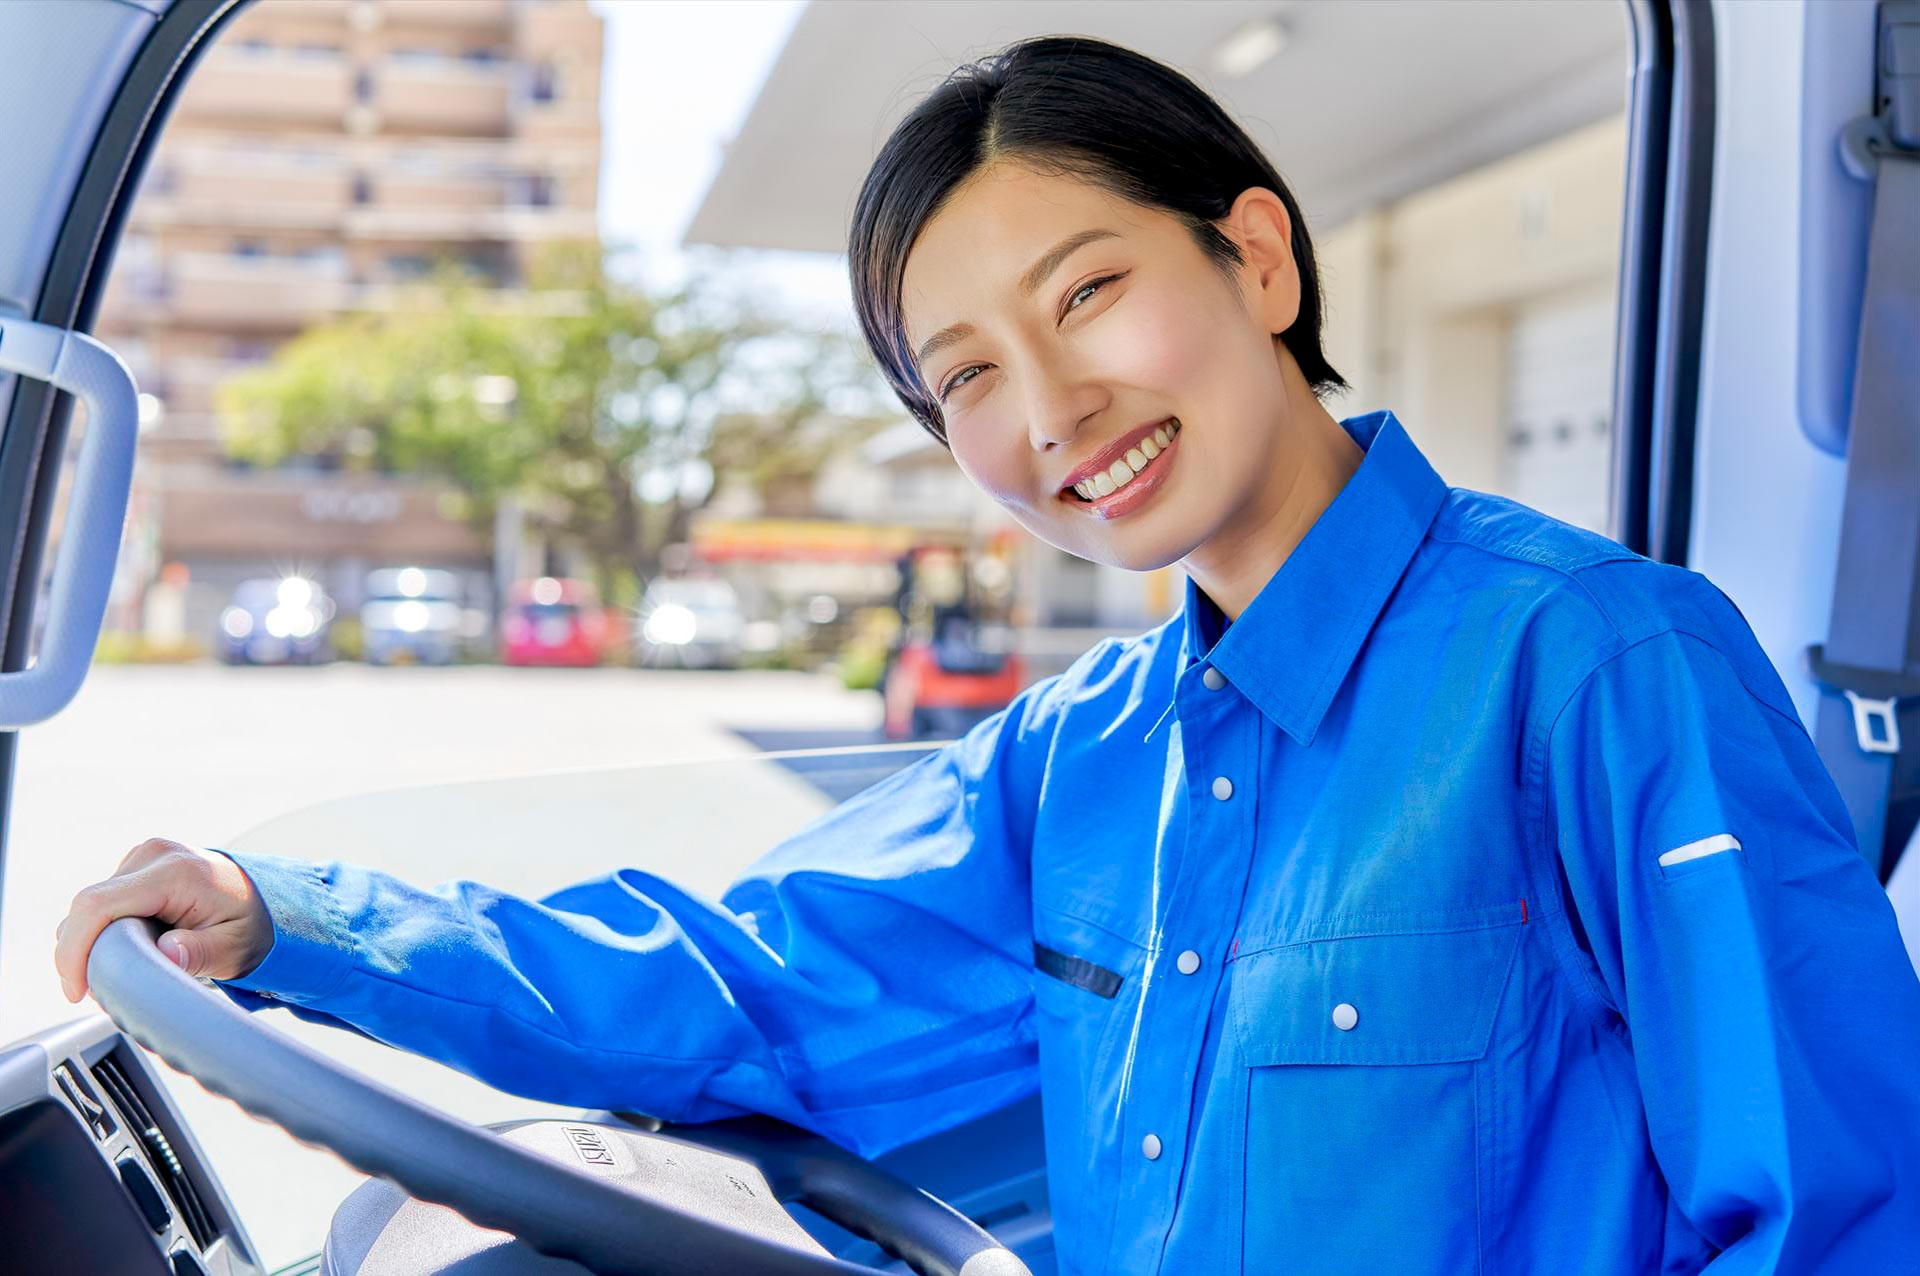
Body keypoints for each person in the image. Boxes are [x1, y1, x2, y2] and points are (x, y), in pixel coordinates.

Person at [54, 36, 1920, 1275]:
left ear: (1259, 261)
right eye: (965, 379)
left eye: (1089, 292)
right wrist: (289, 921)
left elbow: (1835, 1224)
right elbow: (747, 986)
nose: (1051, 412)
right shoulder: (1076, 758)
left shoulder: (1600, 667)